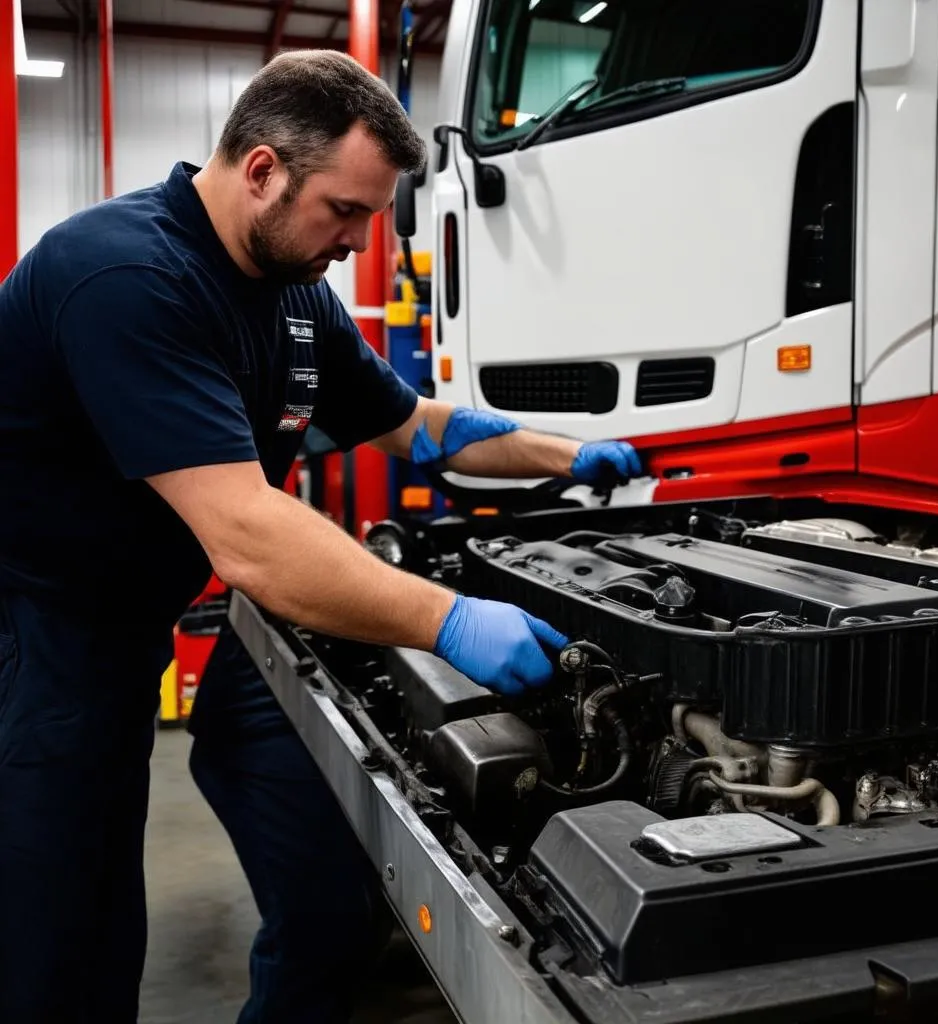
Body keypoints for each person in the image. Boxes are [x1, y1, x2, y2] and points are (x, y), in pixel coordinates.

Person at [0, 48, 643, 1023]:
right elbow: (249, 536)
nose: (355, 240)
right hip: (32, 636)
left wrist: (567, 454)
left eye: (370, 217)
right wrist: (450, 618)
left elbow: (415, 427)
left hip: (119, 626)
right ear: (262, 170)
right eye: (343, 211)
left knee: (153, 912)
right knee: (57, 929)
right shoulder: (124, 274)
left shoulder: (296, 292)